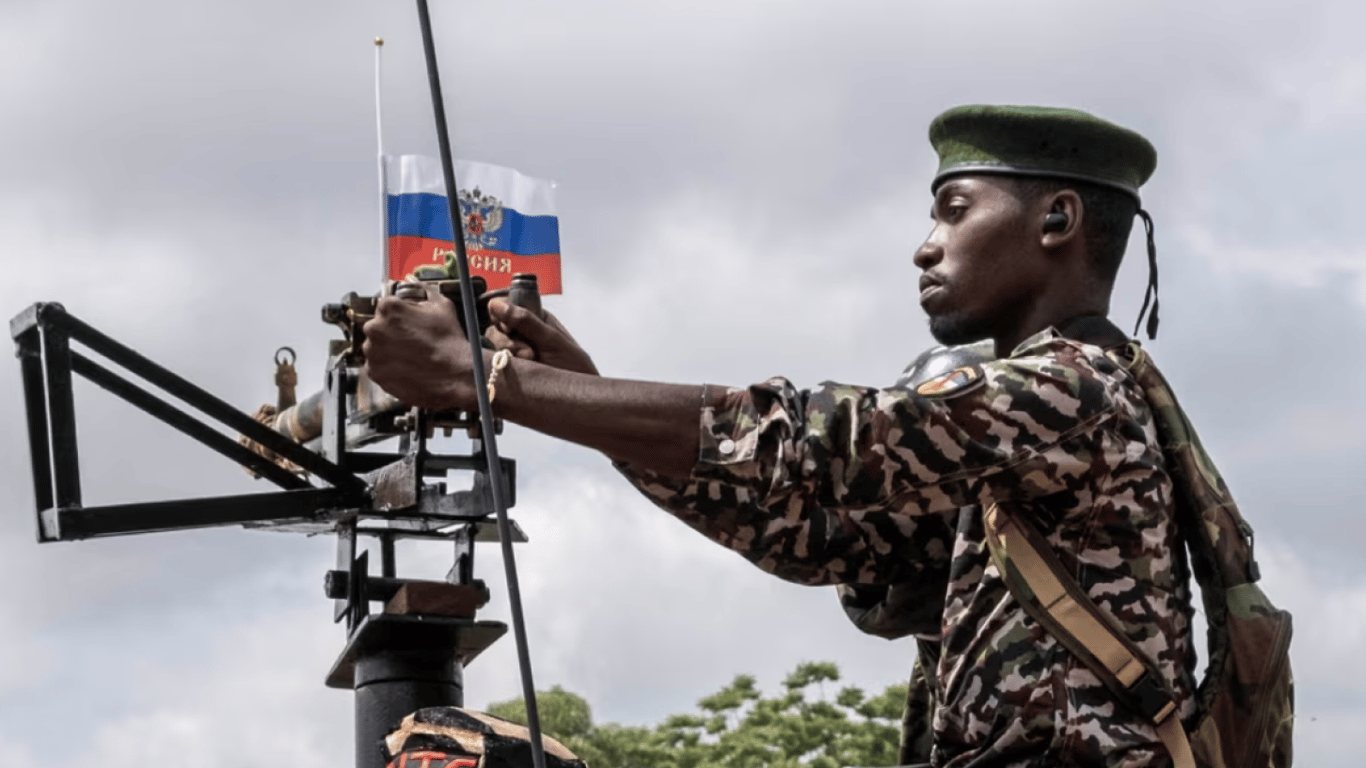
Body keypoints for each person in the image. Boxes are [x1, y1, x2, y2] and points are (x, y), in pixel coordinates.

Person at [362, 105, 1197, 768]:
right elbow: (809, 531)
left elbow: (813, 441)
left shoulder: (1072, 388)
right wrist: (576, 394)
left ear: (1057, 220)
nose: (925, 247)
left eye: (953, 211)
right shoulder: (1020, 444)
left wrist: (498, 382)